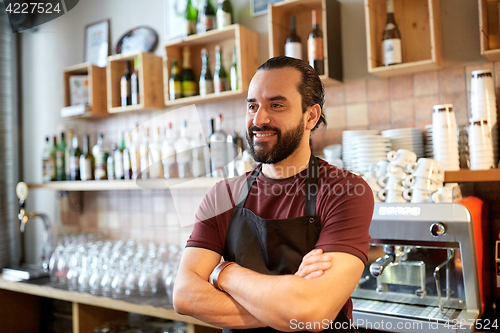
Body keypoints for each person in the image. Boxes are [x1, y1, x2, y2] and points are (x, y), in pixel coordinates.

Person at [173, 56, 374, 333]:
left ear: (311, 116)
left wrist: (224, 273)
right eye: (252, 106)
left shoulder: (346, 191)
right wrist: (288, 303)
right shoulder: (223, 195)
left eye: (276, 105)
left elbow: (312, 312)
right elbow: (184, 295)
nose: (259, 119)